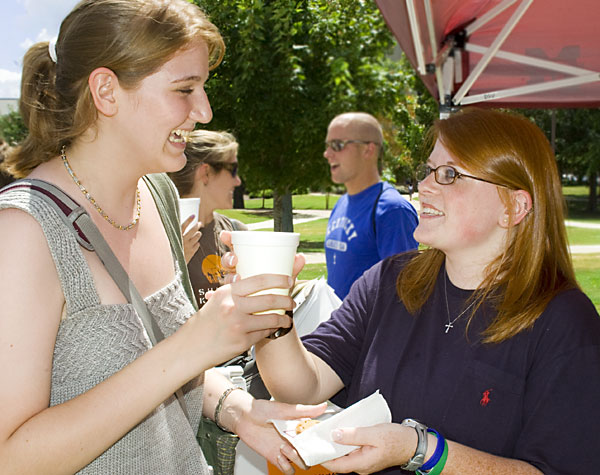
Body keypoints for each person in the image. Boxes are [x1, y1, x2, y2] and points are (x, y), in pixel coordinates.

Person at [0, 1, 324, 474]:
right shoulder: (24, 232)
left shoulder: (158, 196)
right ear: (106, 91)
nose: (205, 111)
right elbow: (11, 457)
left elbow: (158, 364)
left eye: (204, 88)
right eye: (184, 89)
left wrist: (236, 408)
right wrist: (195, 342)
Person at [250, 107, 600, 474]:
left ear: (514, 207)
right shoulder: (390, 281)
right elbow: (302, 388)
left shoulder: (565, 324)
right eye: (428, 171)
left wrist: (423, 450)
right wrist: (271, 311)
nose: (425, 186)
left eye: (450, 174)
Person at [324, 112, 418, 299]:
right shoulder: (342, 202)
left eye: (337, 145)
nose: (327, 154)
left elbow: (402, 293)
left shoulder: (392, 211)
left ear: (368, 150)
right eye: (327, 146)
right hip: (337, 326)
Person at [169, 130, 247, 307]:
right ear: (206, 173)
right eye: (233, 170)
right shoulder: (159, 234)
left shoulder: (235, 232)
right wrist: (176, 261)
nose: (238, 182)